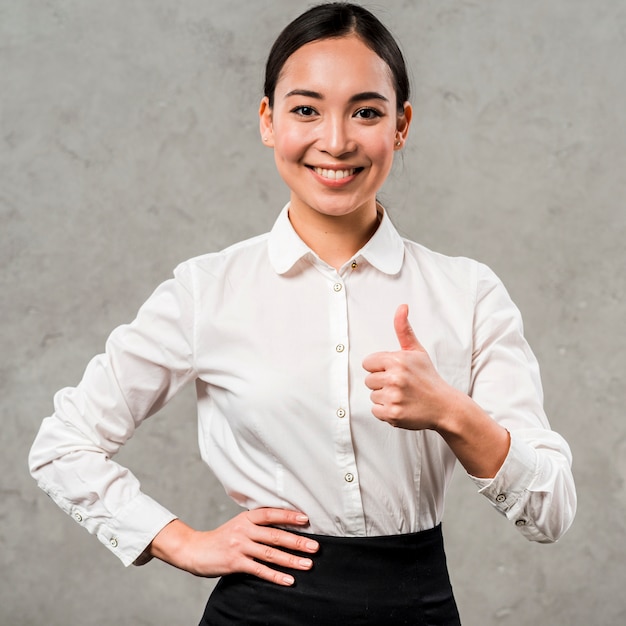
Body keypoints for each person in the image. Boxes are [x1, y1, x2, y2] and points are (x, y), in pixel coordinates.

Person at [29, 3, 577, 624]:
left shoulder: (468, 293)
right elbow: (63, 446)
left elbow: (550, 512)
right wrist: (179, 540)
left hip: (417, 609)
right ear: (268, 121)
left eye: (366, 111)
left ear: (401, 126)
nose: (336, 140)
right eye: (306, 109)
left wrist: (453, 411)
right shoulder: (206, 290)